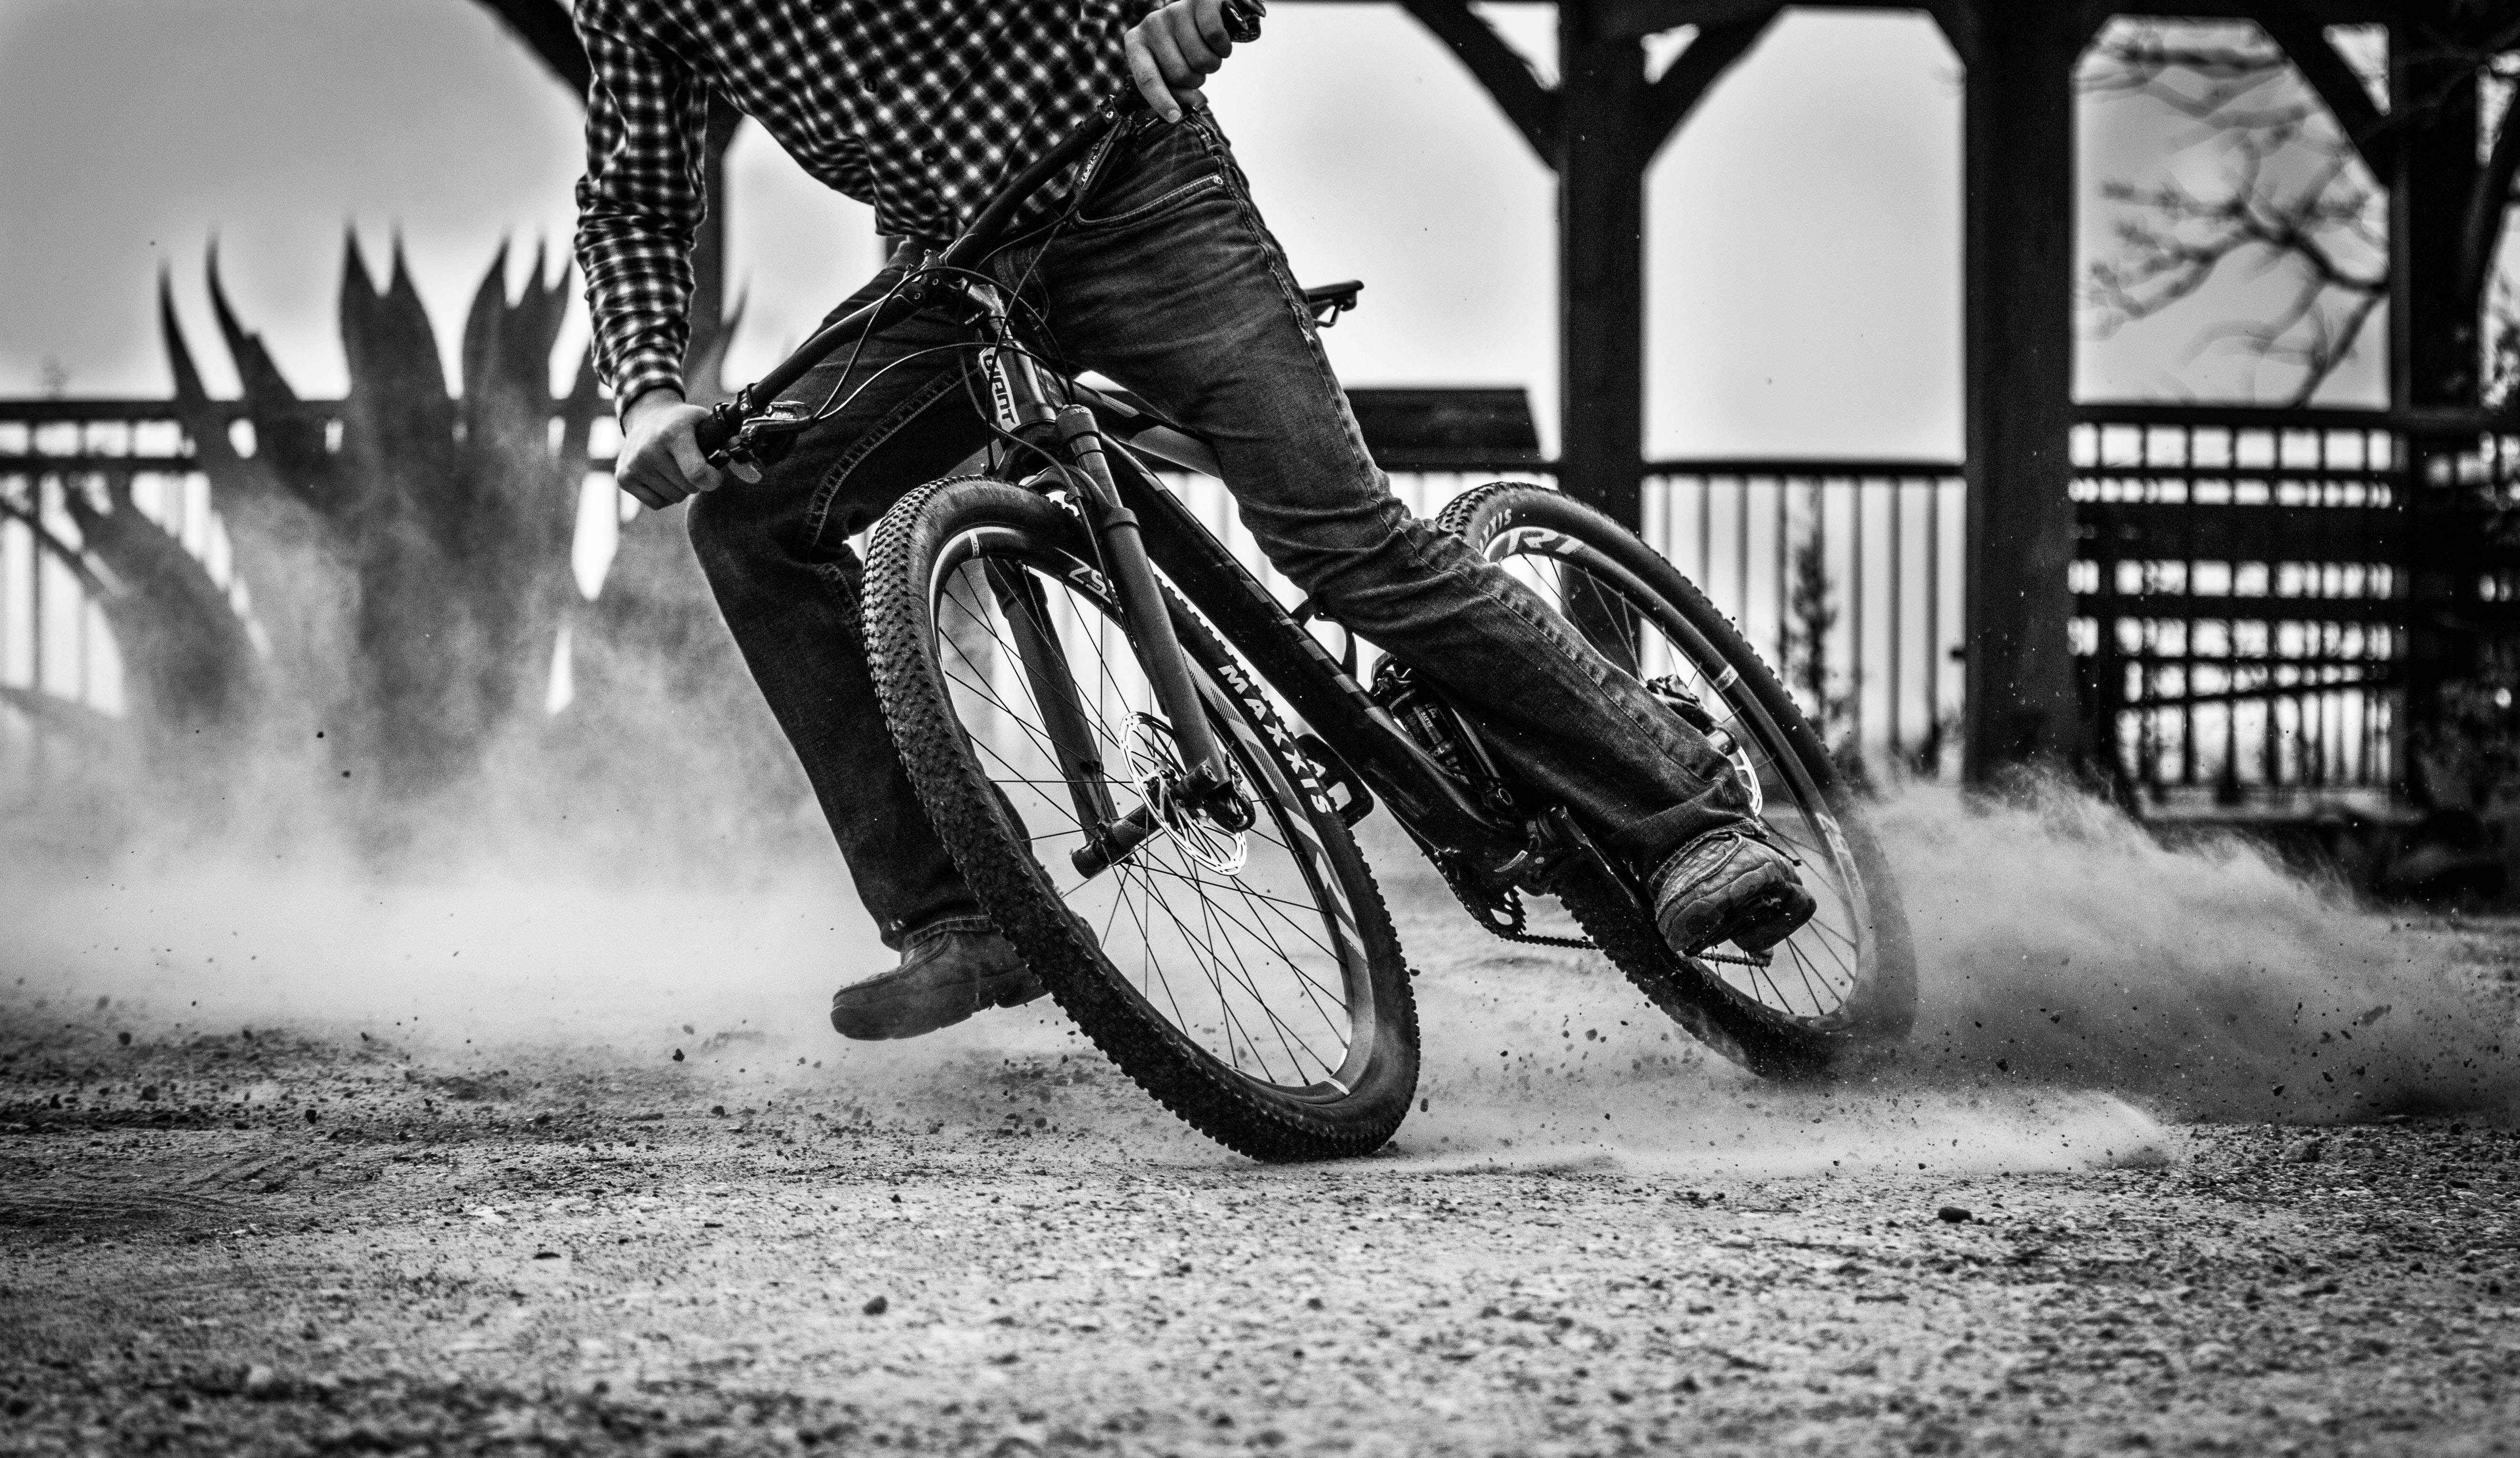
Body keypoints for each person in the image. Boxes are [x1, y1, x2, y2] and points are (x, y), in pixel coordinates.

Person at [572, 0, 1813, 1041]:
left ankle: (1690, 820)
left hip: (1139, 189)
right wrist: (646, 393)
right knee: (748, 520)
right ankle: (961, 916)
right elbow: (632, 198)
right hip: (953, 270)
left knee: (1341, 541)